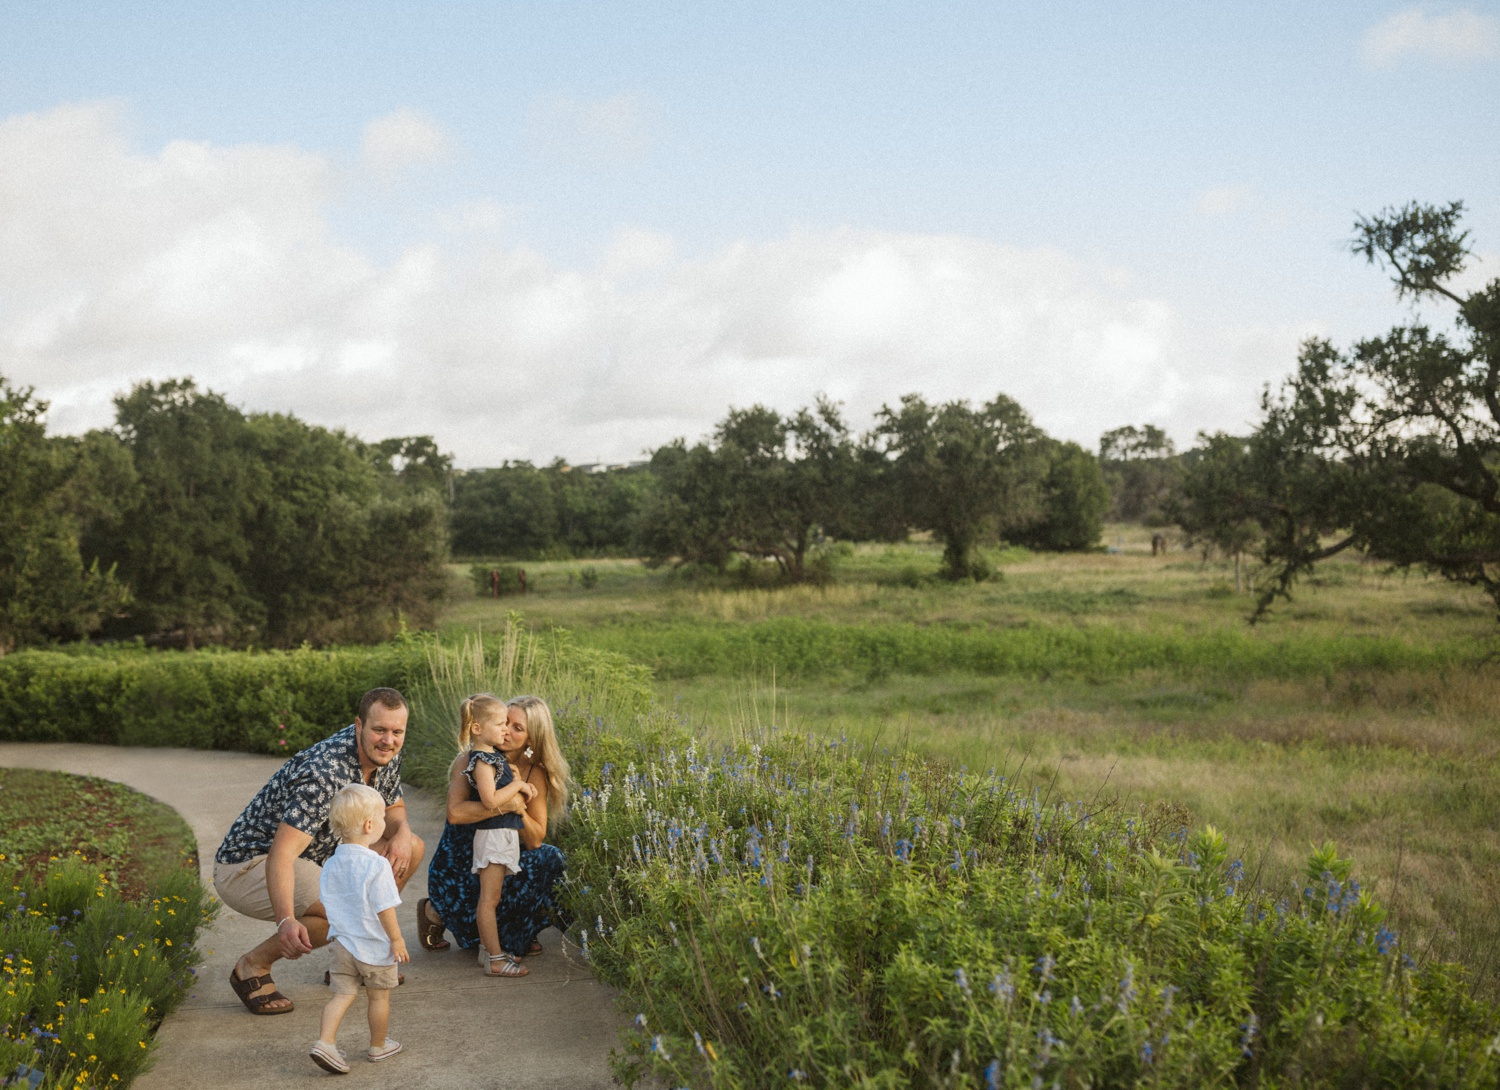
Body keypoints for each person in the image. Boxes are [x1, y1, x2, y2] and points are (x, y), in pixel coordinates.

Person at [215, 687, 425, 1015]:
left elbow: (393, 806)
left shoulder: (384, 753)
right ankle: (252, 967)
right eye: (379, 730)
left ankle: (356, 956)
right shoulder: (325, 773)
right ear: (359, 725)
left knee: (410, 847)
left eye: (397, 732)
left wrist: (402, 832)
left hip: (316, 856)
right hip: (249, 864)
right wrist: (286, 919)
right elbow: (281, 855)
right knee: (348, 910)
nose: (388, 740)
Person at [418, 695, 571, 959]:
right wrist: (507, 803)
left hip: (500, 861)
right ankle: (434, 911)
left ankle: (521, 924)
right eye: (504, 722)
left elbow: (535, 840)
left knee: (550, 858)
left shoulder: (536, 772)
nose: (506, 731)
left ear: (532, 739)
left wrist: (519, 806)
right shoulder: (473, 760)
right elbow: (455, 814)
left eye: (517, 728)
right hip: (462, 864)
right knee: (477, 936)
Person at [309, 784, 409, 1073]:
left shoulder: (330, 863)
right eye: (381, 819)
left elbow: (329, 901)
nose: (382, 824)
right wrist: (397, 939)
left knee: (341, 995)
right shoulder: (376, 865)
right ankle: (378, 1046)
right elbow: (384, 908)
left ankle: (325, 1042)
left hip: (343, 945)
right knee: (379, 997)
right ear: (369, 825)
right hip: (374, 947)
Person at [456, 694, 538, 977]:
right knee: (489, 900)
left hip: (501, 835)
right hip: (493, 837)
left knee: (494, 898)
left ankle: (488, 952)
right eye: (501, 723)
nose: (505, 730)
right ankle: (495, 958)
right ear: (477, 728)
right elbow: (490, 801)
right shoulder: (481, 760)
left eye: (509, 724)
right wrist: (517, 786)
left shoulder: (493, 757)